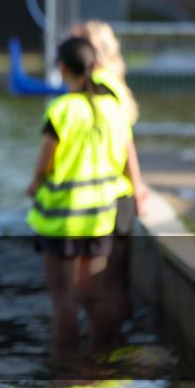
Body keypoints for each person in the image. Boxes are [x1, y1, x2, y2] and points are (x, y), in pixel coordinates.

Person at [26, 36, 143, 362]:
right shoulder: (114, 109)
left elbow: (45, 160)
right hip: (99, 219)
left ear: (62, 68)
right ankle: (104, 363)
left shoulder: (62, 110)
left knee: (64, 299)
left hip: (60, 221)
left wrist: (35, 184)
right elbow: (124, 155)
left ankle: (68, 372)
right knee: (96, 295)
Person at [69, 20, 149, 324]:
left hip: (107, 197)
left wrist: (137, 185)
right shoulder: (114, 84)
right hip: (120, 195)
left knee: (94, 286)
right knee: (112, 283)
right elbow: (126, 140)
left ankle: (101, 353)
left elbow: (125, 144)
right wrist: (137, 187)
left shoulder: (98, 87)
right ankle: (115, 351)